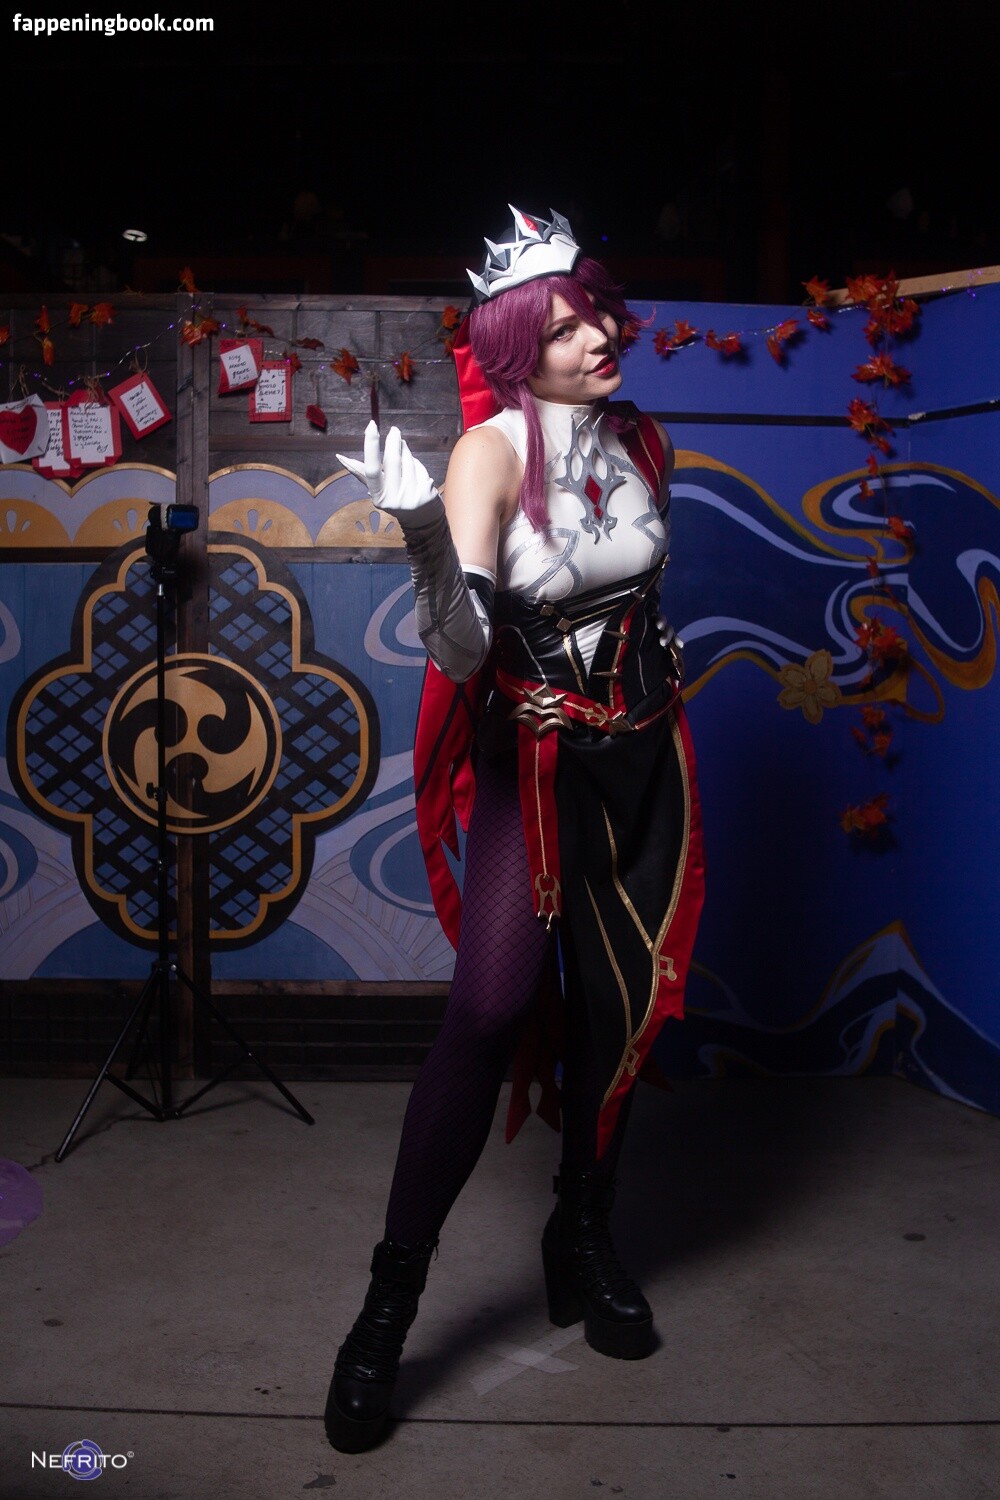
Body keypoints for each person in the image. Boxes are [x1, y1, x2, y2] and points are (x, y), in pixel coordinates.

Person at [326, 207, 705, 1453]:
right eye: (559, 329)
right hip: (533, 765)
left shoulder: (642, 439)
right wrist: (423, 535)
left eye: (594, 312)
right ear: (509, 349)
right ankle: (388, 1309)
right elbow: (461, 652)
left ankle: (580, 1234)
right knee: (489, 1010)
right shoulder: (488, 454)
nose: (594, 337)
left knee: (618, 1006)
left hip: (644, 754)